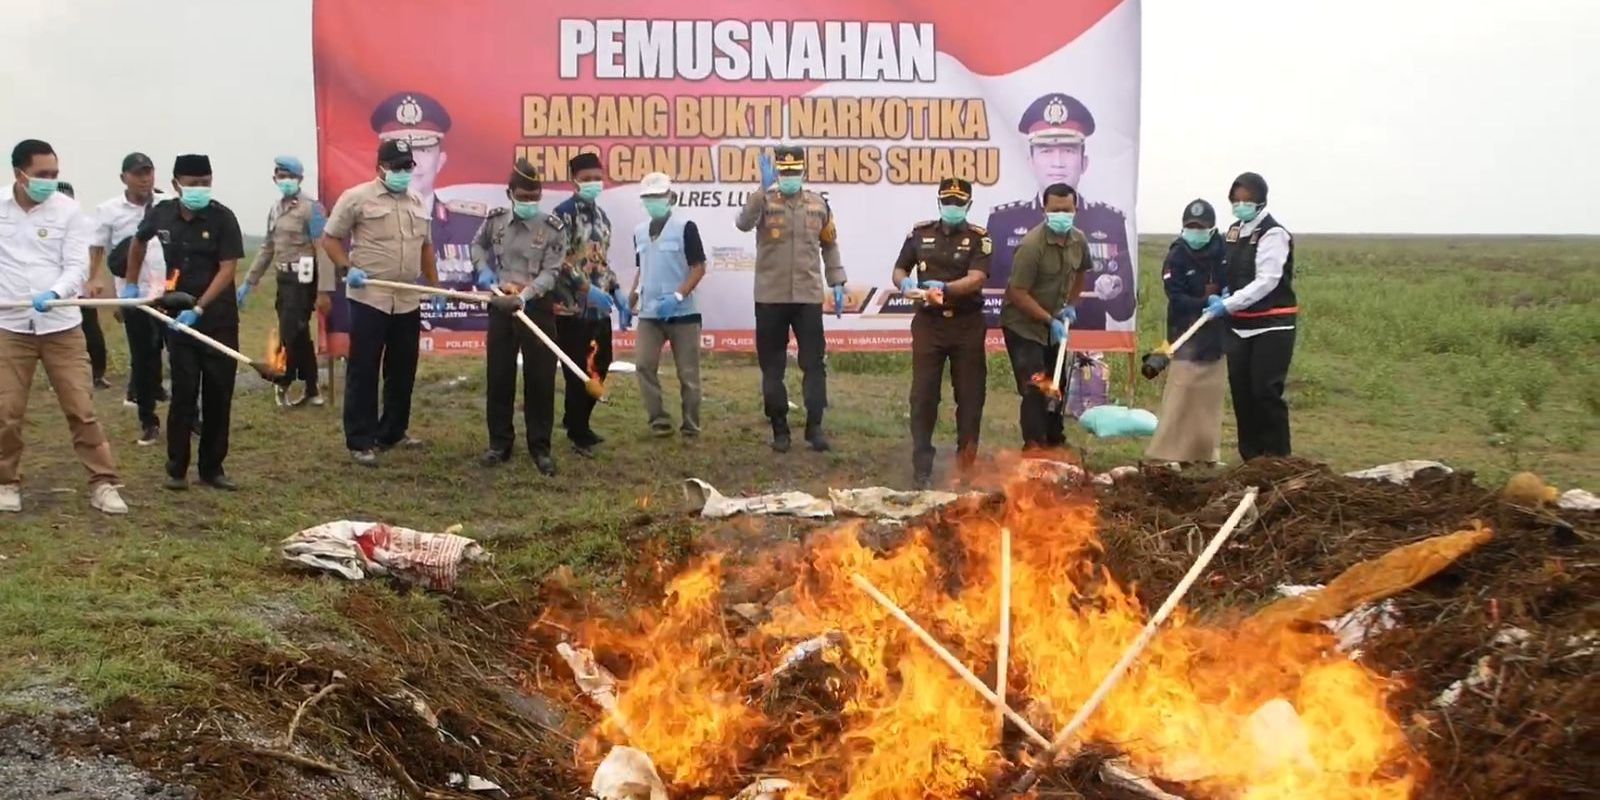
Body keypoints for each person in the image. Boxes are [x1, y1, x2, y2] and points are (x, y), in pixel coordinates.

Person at [0, 139, 127, 515]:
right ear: (19, 174)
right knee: (6, 410)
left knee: (81, 407)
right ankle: (6, 482)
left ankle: (103, 483)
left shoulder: (69, 211)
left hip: (61, 325)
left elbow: (77, 266)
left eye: (55, 175)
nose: (49, 182)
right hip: (10, 326)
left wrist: (54, 292)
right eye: (42, 175)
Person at [321, 138, 445, 467]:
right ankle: (360, 439)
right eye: (397, 167)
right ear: (380, 168)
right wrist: (348, 268)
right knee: (364, 369)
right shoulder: (357, 198)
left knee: (402, 368)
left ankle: (393, 431)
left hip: (406, 297)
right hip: (370, 296)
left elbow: (426, 248)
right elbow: (330, 239)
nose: (404, 173)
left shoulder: (418, 201)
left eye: (408, 167)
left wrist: (435, 287)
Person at [126, 154, 246, 491]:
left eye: (206, 183)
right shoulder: (162, 213)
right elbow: (138, 242)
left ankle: (212, 468)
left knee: (219, 395)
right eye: (193, 184)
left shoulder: (223, 218)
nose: (200, 189)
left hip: (217, 318)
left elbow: (227, 268)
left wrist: (201, 307)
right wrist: (132, 282)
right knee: (183, 393)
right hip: (177, 317)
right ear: (177, 184)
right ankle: (176, 469)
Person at [734, 144, 847, 453]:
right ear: (777, 172)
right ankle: (779, 429)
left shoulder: (818, 204)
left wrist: (837, 280)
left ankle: (815, 427)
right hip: (770, 296)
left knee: (814, 364)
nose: (789, 177)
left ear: (803, 171)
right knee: (773, 367)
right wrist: (761, 188)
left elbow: (830, 245)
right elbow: (743, 223)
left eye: (794, 172)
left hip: (808, 296)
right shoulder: (763, 201)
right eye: (784, 172)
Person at [988, 93, 1133, 332]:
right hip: (1027, 341)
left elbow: (1124, 310)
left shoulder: (1108, 223)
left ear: (1083, 161)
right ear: (1031, 161)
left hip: (1084, 346)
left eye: (1067, 151)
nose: (1058, 162)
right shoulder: (1003, 223)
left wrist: (1115, 289)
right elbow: (992, 302)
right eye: (1046, 151)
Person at [891, 177, 991, 488]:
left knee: (971, 397)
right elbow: (900, 269)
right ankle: (922, 466)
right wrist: (904, 283)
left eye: (958, 204)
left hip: (966, 324)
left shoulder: (979, 238)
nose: (952, 208)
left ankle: (966, 464)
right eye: (947, 202)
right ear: (938, 202)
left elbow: (976, 278)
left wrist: (946, 288)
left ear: (968, 205)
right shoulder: (919, 234)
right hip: (928, 325)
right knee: (923, 396)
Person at [470, 159, 567, 474]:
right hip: (500, 305)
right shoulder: (495, 222)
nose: (529, 202)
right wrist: (483, 271)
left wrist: (523, 296)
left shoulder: (552, 228)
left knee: (540, 379)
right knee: (499, 376)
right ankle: (499, 444)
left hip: (534, 306)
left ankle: (541, 448)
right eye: (523, 197)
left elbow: (552, 273)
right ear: (509, 193)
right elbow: (478, 245)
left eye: (534, 197)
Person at [370, 92, 489, 325]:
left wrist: (452, 331)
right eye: (401, 151)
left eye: (423, 149)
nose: (412, 162)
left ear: (441, 159)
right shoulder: (364, 215)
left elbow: (483, 307)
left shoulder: (471, 226)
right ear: (382, 163)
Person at [1209, 172, 1297, 461]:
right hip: (1239, 327)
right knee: (1243, 394)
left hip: (1272, 324)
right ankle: (1251, 459)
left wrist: (1230, 303)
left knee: (1265, 391)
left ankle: (1277, 459)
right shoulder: (1234, 231)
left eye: (1246, 200)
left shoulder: (1274, 233)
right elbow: (1228, 269)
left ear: (1260, 200)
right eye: (1236, 200)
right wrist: (1222, 291)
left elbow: (1267, 280)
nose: (1240, 205)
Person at [999, 183, 1090, 451]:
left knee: (1057, 381)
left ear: (1075, 209)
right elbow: (1017, 292)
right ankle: (1034, 446)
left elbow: (1082, 273)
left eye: (1066, 209)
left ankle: (1055, 440)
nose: (1061, 214)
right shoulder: (1032, 245)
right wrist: (1048, 320)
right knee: (1036, 384)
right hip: (1023, 325)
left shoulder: (1079, 240)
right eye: (1055, 209)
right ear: (1044, 210)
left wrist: (1070, 305)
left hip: (1054, 323)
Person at [550, 151, 627, 458]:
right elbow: (556, 260)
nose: (594, 183)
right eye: (587, 179)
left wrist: (616, 289)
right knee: (577, 371)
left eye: (598, 177)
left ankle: (578, 420)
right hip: (570, 308)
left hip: (598, 308)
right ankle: (577, 431)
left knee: (602, 362)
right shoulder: (562, 214)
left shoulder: (602, 218)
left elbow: (601, 261)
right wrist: (585, 288)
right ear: (574, 180)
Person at [238, 155, 329, 407]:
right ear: (275, 178)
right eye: (281, 176)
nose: (286, 180)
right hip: (283, 276)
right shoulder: (276, 208)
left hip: (304, 276)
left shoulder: (311, 207)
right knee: (298, 334)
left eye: (291, 176)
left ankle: (283, 379)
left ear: (300, 178)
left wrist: (323, 290)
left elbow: (322, 248)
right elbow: (268, 247)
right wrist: (249, 282)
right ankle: (312, 388)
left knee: (291, 331)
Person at [93, 152, 168, 445]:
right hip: (133, 293)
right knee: (143, 355)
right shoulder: (108, 210)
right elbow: (97, 249)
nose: (145, 178)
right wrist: (105, 289)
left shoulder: (166, 205)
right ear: (124, 177)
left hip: (168, 291)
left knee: (180, 351)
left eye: (148, 172)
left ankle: (191, 416)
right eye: (138, 173)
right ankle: (148, 420)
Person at [1145, 199, 1228, 465]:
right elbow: (1176, 297)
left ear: (1212, 229)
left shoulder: (1224, 251)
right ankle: (1170, 454)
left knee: (1208, 400)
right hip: (1184, 332)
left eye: (1201, 228)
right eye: (1190, 227)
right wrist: (1205, 303)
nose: (1195, 232)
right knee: (1182, 394)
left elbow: (1235, 280)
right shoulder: (1176, 256)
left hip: (1216, 336)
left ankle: (1206, 454)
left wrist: (1226, 298)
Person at [628, 172, 706, 439]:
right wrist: (633, 294)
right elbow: (642, 268)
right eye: (648, 198)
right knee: (643, 364)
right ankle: (658, 420)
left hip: (683, 313)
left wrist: (678, 297)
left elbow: (698, 268)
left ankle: (691, 426)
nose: (653, 202)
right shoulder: (639, 232)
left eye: (658, 197)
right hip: (650, 313)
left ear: (670, 197)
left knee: (688, 374)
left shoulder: (686, 227)